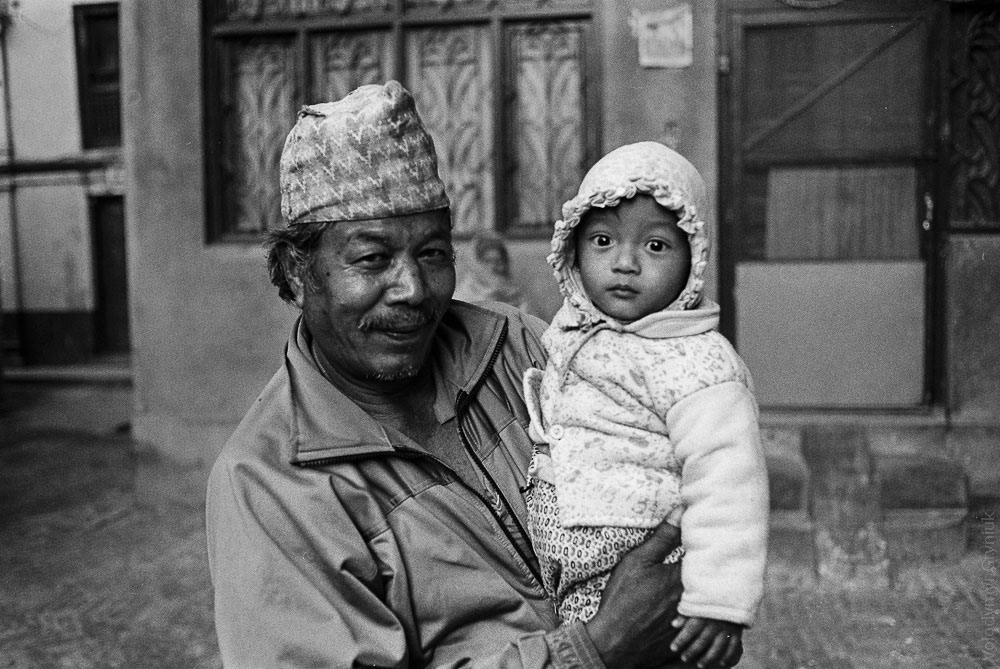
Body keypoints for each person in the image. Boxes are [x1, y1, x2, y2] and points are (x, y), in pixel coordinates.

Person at [205, 82, 739, 668]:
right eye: (372, 259)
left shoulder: (519, 347)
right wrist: (595, 649)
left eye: (433, 253)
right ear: (297, 272)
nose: (412, 290)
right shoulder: (269, 482)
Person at [522, 142, 769, 668]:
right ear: (573, 251)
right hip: (566, 575)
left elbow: (730, 481)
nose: (626, 263)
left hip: (635, 560)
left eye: (655, 246)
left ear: (692, 261)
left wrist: (718, 603)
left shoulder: (697, 360)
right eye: (604, 241)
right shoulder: (571, 331)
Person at [454, 232, 533, 314]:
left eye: (499, 261)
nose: (494, 268)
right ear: (477, 264)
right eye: (488, 261)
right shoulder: (463, 297)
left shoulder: (515, 295)